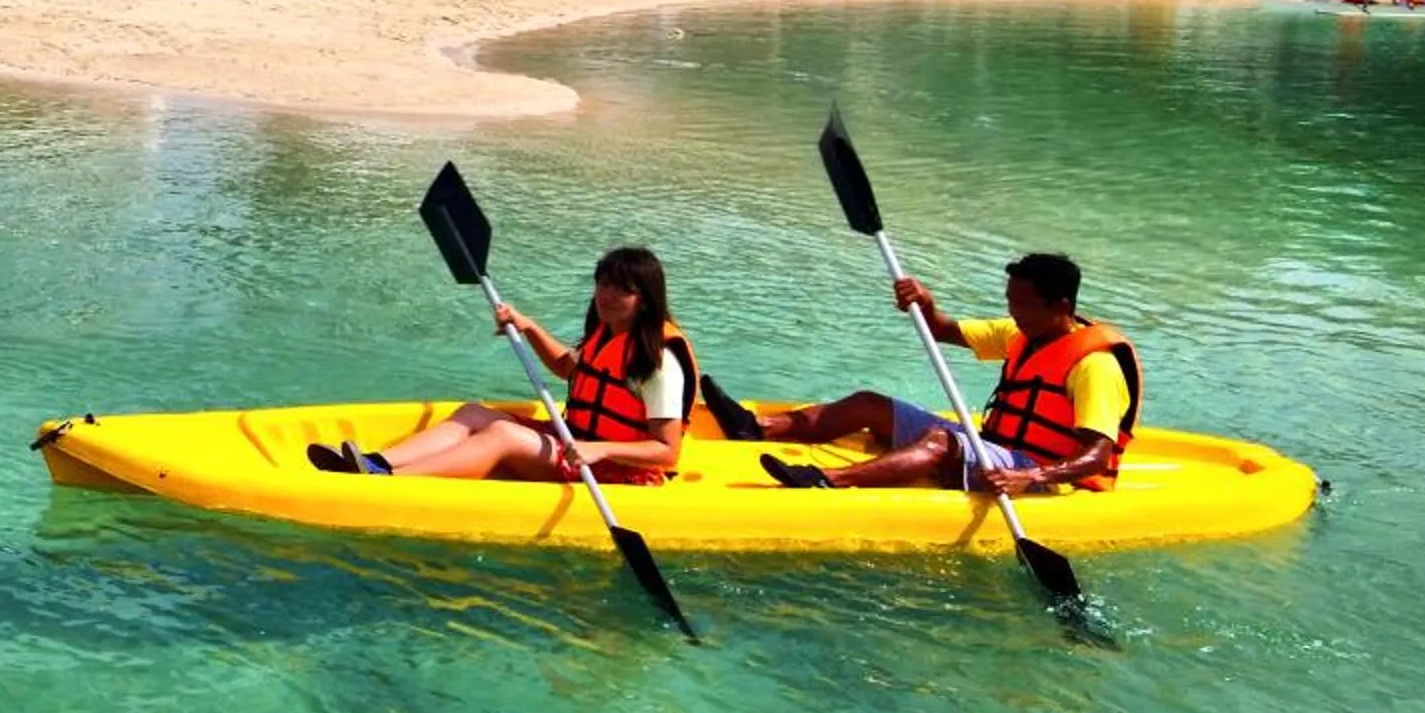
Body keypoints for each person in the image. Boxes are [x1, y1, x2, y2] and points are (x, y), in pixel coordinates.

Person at [752, 254, 1138, 495]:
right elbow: (942, 330)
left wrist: (1031, 476)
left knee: (939, 441)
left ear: (1062, 305)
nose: (1014, 310)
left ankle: (827, 480)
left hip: (1039, 475)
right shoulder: (1021, 333)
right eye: (1010, 300)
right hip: (993, 447)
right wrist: (925, 303)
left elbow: (1096, 457)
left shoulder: (1094, 366)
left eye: (1024, 303)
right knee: (870, 404)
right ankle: (759, 428)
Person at [307, 247, 700, 482]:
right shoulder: (610, 332)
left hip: (621, 472)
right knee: (475, 413)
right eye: (603, 283)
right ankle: (375, 462)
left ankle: (388, 481)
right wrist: (528, 327)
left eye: (622, 290)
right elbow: (568, 368)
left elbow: (666, 453)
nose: (607, 295)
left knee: (504, 434)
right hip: (576, 442)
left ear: (645, 299)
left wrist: (596, 449)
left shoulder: (658, 361)